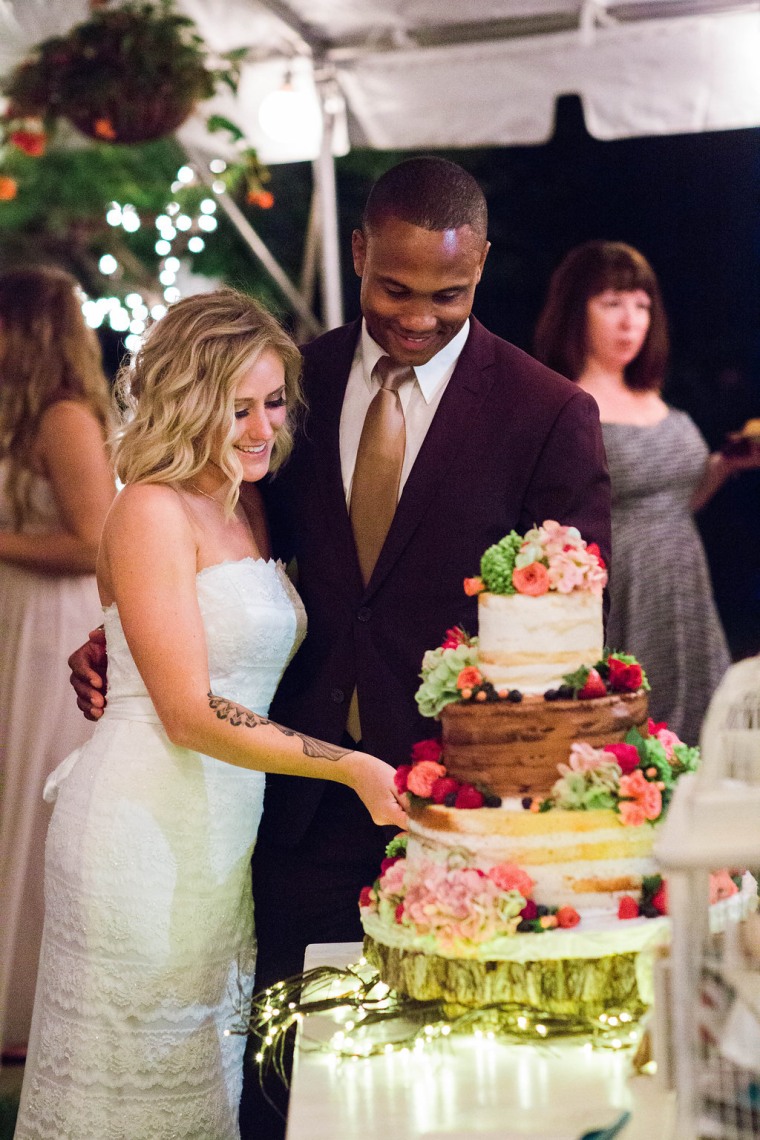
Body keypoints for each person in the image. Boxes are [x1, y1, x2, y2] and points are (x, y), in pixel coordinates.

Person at [68, 157, 612, 1139]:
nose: (414, 316)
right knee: (271, 1084)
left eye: (446, 294)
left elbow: (566, 629)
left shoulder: (546, 414)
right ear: (358, 253)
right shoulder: (283, 382)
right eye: (392, 288)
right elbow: (197, 545)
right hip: (280, 816)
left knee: (435, 1089)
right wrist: (122, 640)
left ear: (482, 265)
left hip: (450, 815)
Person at [15, 289, 405, 1140]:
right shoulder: (150, 508)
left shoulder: (249, 500)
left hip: (220, 835)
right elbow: (188, 712)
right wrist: (347, 763)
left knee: (199, 1081)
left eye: (272, 403)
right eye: (237, 408)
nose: (263, 428)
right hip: (141, 829)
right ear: (189, 401)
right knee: (126, 1087)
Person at [534, 239, 760, 745]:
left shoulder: (651, 394)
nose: (629, 320)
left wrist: (723, 466)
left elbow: (675, 503)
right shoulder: (564, 404)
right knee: (633, 743)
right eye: (611, 303)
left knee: (700, 744)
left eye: (641, 305)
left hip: (685, 589)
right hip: (623, 591)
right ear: (576, 310)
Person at [0, 267, 116, 1062]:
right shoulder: (18, 419)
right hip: (15, 618)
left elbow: (96, 542)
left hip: (49, 631)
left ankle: (32, 998)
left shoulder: (65, 418)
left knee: (36, 805)